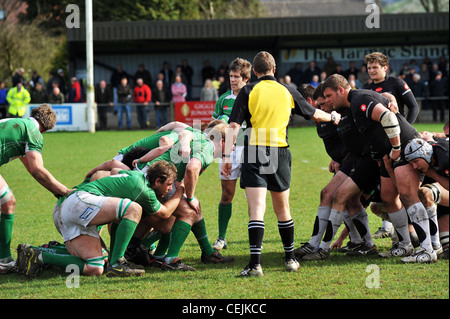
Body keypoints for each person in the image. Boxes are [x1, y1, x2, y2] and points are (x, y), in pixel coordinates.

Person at [223, 51, 340, 277]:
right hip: (279, 152)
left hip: (254, 151)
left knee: (256, 210)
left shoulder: (248, 90)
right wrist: (334, 117)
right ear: (274, 69)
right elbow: (314, 114)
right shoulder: (287, 90)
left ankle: (255, 265)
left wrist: (227, 157)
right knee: (282, 209)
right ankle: (290, 259)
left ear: (254, 72)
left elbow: (234, 126)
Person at [322, 74, 437, 263]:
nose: (327, 100)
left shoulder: (360, 99)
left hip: (403, 147)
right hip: (388, 153)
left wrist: (397, 148)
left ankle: (427, 250)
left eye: (328, 96)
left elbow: (388, 117)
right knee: (389, 198)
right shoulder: (354, 101)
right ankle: (405, 245)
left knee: (409, 196)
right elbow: (386, 100)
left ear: (340, 90)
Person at [17, 160, 186, 278]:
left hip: (68, 207)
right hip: (79, 202)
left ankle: (38, 254)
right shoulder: (144, 189)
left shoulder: (135, 177)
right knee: (134, 209)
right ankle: (118, 264)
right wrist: (180, 191)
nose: (170, 188)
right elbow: (164, 214)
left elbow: (109, 172)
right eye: (169, 184)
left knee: (96, 266)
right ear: (157, 181)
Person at [134, 123, 235, 271]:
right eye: (232, 144)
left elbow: (182, 134)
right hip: (152, 183)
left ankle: (205, 253)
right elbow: (191, 168)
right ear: (222, 142)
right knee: (189, 211)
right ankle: (166, 257)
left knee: (193, 208)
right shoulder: (207, 150)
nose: (233, 148)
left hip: (148, 178)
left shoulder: (201, 137)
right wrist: (190, 197)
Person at [0, 104, 71, 273]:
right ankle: (4, 260)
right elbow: (37, 170)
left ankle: (3, 258)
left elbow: (31, 168)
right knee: (8, 203)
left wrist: (55, 190)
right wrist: (65, 191)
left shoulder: (18, 124)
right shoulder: (34, 133)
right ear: (47, 128)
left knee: (4, 204)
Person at [210, 57, 252, 251]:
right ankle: (221, 237)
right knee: (227, 194)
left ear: (246, 78)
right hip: (229, 150)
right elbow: (214, 127)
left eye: (237, 77)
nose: (233, 80)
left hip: (251, 147)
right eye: (231, 76)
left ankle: (255, 237)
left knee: (253, 194)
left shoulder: (253, 96)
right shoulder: (223, 99)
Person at [365, 52, 420, 125]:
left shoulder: (397, 83)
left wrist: (407, 127)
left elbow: (414, 107)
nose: (371, 71)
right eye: (369, 68)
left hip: (397, 131)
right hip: (378, 134)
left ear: (385, 67)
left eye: (375, 67)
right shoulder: (367, 89)